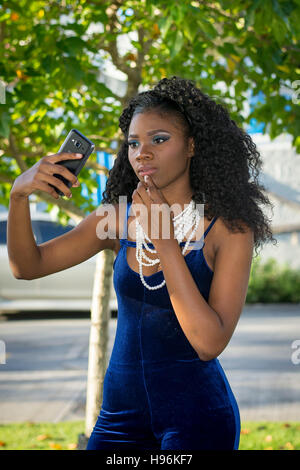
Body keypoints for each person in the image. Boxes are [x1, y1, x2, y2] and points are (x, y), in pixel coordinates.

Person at [7, 76, 276, 450]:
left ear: (192, 147)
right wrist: (18, 196)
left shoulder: (229, 228)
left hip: (197, 420)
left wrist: (165, 240)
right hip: (119, 419)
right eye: (134, 143)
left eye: (159, 140)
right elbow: (28, 267)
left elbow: (209, 343)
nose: (141, 153)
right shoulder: (116, 219)